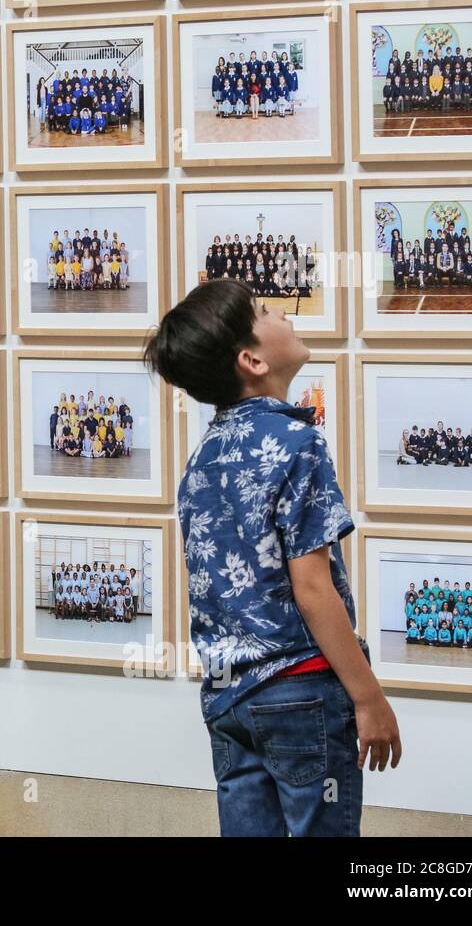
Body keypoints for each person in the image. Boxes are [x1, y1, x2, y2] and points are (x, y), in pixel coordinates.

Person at [143, 278, 401, 836]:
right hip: (300, 693)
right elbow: (313, 589)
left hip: (227, 700)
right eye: (264, 311)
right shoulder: (297, 443)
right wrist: (369, 697)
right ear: (251, 359)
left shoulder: (203, 455)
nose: (281, 310)